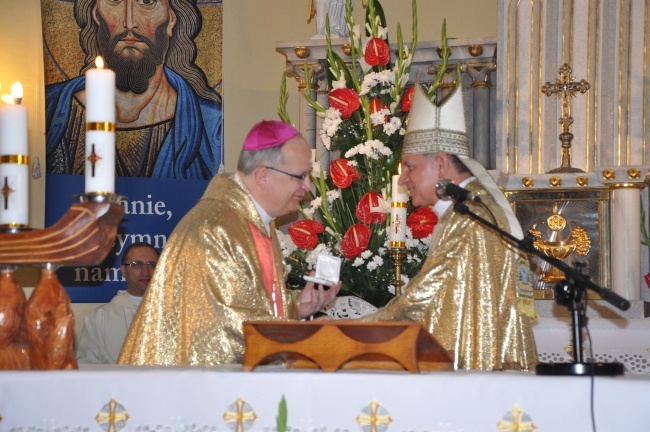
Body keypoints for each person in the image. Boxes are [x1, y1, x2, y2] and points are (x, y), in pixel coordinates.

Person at [118, 120, 341, 366]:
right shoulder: (214, 229)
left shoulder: (254, 221)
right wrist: (307, 335)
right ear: (263, 175)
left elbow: (251, 306)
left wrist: (298, 306)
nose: (308, 187)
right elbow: (228, 328)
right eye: (300, 176)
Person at [360, 82, 538, 371]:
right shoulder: (477, 205)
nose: (403, 179)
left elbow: (425, 295)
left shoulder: (468, 217)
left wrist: (359, 327)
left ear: (440, 164)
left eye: (410, 167)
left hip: (475, 373)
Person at [46, 0, 222, 179]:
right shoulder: (48, 112)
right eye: (114, 1)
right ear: (95, 14)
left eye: (146, 2)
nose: (129, 23)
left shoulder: (213, 130)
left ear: (171, 19)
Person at [76, 242, 160, 364]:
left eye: (152, 265)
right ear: (123, 270)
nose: (146, 272)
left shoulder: (175, 314)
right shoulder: (100, 317)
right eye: (137, 264)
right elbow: (87, 365)